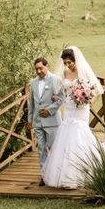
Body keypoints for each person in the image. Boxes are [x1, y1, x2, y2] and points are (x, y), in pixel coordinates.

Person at [42, 46, 105, 189]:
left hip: (82, 108)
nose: (67, 65)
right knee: (66, 133)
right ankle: (63, 173)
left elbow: (97, 91)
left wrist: (87, 100)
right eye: (65, 63)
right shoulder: (65, 72)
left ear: (76, 60)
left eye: (70, 62)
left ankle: (84, 170)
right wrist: (57, 95)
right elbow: (63, 89)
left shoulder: (83, 71)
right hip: (69, 107)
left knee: (79, 132)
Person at [28, 57, 63, 185]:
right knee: (41, 149)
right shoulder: (33, 83)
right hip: (38, 122)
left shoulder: (56, 80)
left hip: (52, 121)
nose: (38, 71)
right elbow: (31, 102)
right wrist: (30, 119)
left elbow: (61, 99)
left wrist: (49, 110)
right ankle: (44, 175)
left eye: (40, 68)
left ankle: (56, 174)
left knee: (53, 149)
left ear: (47, 66)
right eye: (36, 69)